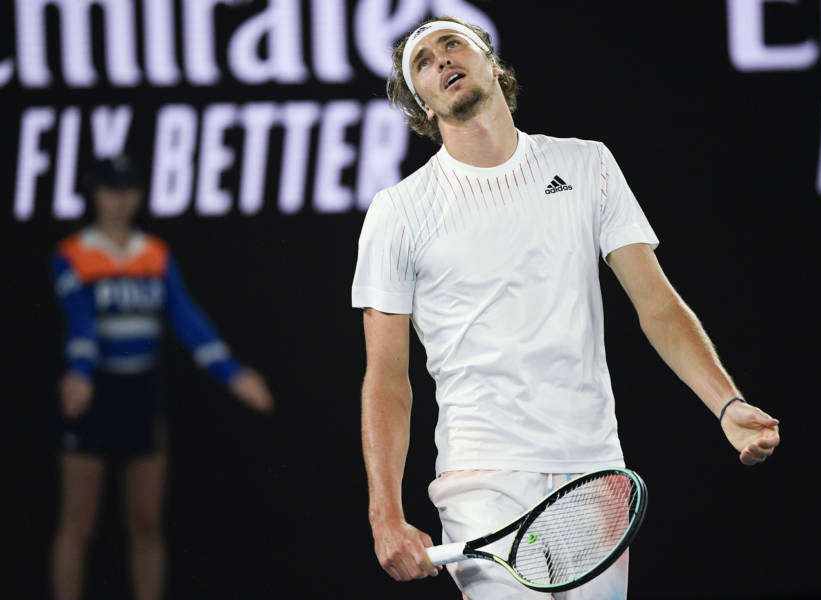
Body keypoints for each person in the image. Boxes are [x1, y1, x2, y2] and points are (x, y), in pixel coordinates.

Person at [352, 16, 781, 600]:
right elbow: (386, 377)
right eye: (423, 62)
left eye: (453, 44)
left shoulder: (587, 165)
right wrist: (386, 514)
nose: (442, 60)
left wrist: (726, 403)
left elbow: (657, 304)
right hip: (482, 478)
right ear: (424, 106)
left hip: (593, 472)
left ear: (492, 65)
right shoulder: (398, 212)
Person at [50, 155, 273, 600]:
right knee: (77, 522)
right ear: (94, 195)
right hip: (93, 396)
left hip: (140, 395)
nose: (120, 200)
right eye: (111, 190)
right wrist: (80, 373)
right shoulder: (72, 254)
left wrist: (232, 372)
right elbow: (81, 323)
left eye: (129, 190)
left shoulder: (154, 254)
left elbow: (186, 318)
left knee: (147, 522)